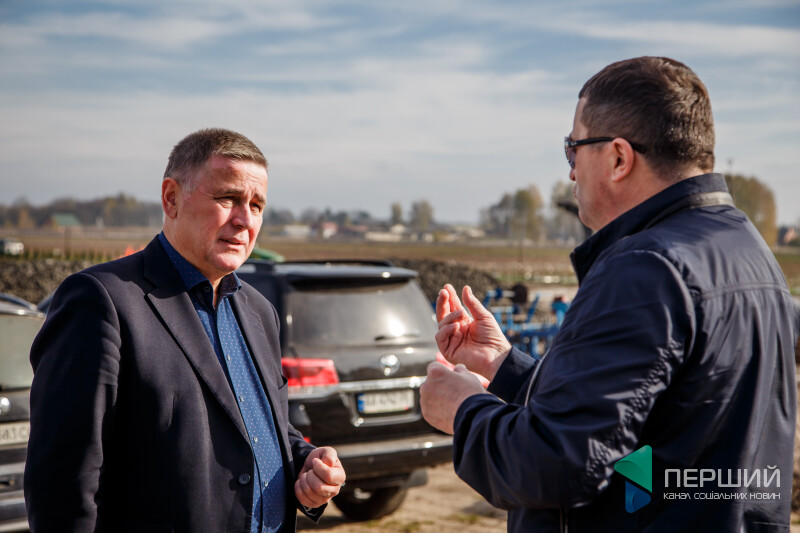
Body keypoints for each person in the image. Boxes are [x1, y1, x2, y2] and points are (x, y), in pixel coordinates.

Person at [420, 57, 797, 532]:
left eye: (572, 149)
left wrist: (463, 410)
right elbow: (640, 419)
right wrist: (503, 366)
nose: (571, 173)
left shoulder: (645, 267)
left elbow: (555, 466)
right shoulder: (745, 248)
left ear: (619, 158)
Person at [25, 128, 345, 532]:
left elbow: (261, 429)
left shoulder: (259, 311)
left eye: (257, 205)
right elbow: (62, 484)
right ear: (171, 198)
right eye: (227, 198)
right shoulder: (101, 300)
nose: (245, 220)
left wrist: (304, 463)